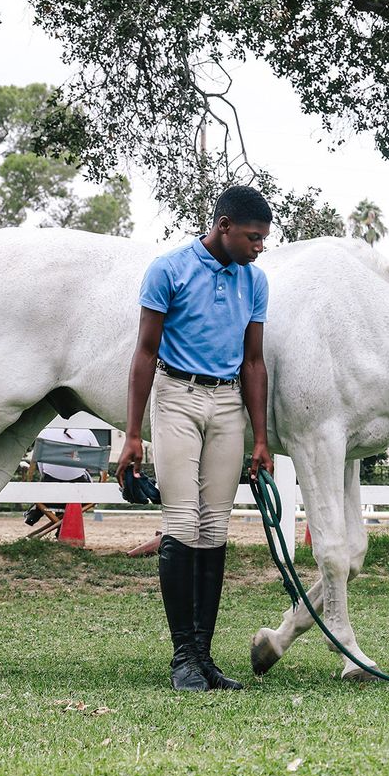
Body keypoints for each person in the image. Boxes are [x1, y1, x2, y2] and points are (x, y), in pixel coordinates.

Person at [115, 186, 275, 691]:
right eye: (253, 237)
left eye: (264, 239)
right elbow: (143, 353)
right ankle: (182, 656)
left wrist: (261, 439)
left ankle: (204, 659)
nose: (259, 247)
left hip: (227, 404)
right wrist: (132, 433)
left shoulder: (255, 281)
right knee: (182, 524)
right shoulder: (168, 270)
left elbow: (254, 361)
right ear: (224, 226)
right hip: (177, 396)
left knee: (215, 529)